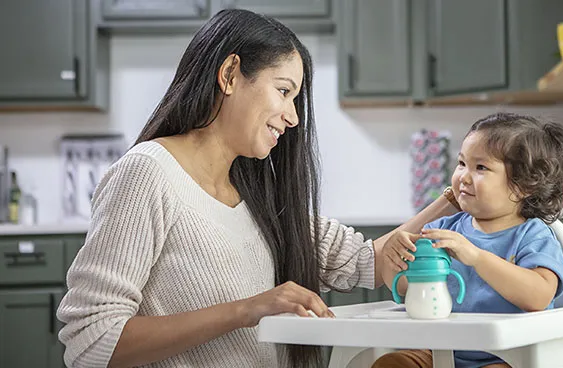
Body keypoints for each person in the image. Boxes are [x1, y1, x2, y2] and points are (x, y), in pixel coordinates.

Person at [56, 8, 460, 368]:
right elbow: (92, 342)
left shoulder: (257, 196)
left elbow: (370, 261)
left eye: (296, 99)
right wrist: (247, 310)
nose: (293, 117)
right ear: (230, 75)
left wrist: (451, 199)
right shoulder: (147, 175)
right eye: (284, 91)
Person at [375, 112, 563, 368]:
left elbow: (539, 296)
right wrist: (393, 260)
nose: (463, 177)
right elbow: (403, 289)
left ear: (524, 185)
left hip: (507, 355)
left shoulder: (532, 235)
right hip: (440, 351)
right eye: (461, 163)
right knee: (393, 363)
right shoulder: (441, 229)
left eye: (481, 167)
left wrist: (477, 258)